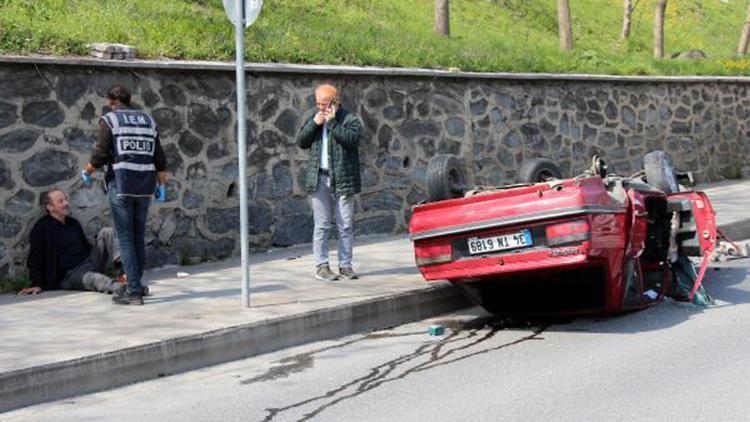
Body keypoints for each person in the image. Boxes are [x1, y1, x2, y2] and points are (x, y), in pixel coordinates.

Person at [82, 85, 167, 305]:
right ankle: (137, 284)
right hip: (145, 186)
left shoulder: (110, 120)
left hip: (122, 184)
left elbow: (100, 154)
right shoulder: (149, 121)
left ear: (113, 102)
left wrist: (87, 172)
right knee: (138, 236)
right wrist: (162, 184)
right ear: (129, 100)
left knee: (125, 238)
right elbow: (160, 158)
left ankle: (133, 292)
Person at [296, 83, 363, 281]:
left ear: (336, 101)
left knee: (345, 225)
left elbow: (352, 140)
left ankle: (345, 266)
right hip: (320, 177)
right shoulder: (315, 118)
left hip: (343, 178)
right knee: (322, 224)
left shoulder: (349, 119)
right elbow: (301, 141)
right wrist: (314, 124)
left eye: (325, 104)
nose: (321, 108)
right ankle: (322, 266)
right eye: (318, 104)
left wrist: (333, 123)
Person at [20, 188, 125, 296]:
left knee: (107, 232)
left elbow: (85, 246)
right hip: (70, 275)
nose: (66, 203)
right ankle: (126, 289)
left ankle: (125, 274)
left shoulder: (73, 223)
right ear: (50, 207)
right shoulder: (41, 228)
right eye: (60, 201)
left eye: (65, 199)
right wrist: (36, 283)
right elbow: (35, 258)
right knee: (96, 279)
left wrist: (99, 248)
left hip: (89, 263)